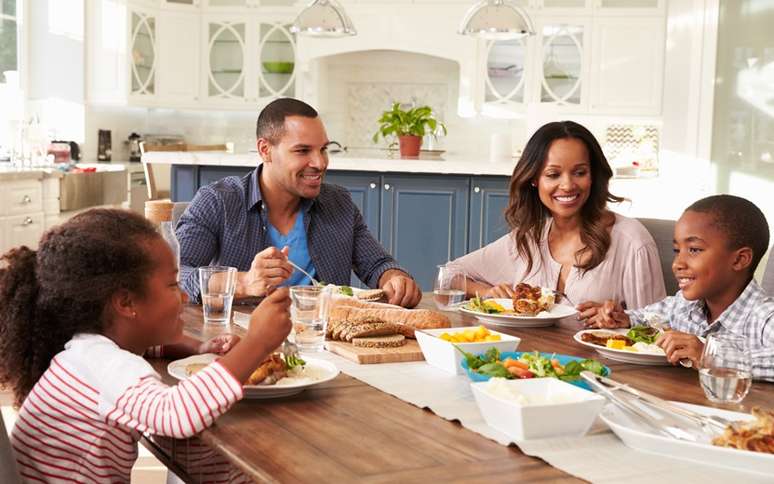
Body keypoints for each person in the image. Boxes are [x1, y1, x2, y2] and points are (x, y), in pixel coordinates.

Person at [0, 208, 292, 481]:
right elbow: (176, 415)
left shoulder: (87, 351)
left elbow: (137, 349)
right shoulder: (105, 364)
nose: (185, 297)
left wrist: (194, 347)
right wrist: (257, 343)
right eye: (172, 284)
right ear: (126, 302)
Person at [176, 98, 421, 308]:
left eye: (323, 149)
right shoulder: (218, 201)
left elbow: (377, 265)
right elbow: (175, 277)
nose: (320, 162)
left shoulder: (339, 203)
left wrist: (395, 279)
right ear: (265, 150)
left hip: (324, 343)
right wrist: (244, 281)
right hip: (242, 346)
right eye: (303, 151)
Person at [446, 121, 665, 310]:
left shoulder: (632, 242)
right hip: (527, 357)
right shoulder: (529, 239)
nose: (568, 185)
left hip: (600, 360)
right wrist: (486, 292)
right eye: (553, 174)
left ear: (593, 176)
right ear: (534, 179)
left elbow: (657, 327)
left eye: (580, 172)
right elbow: (449, 276)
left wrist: (622, 319)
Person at [583, 195, 774, 378]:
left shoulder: (764, 316)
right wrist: (620, 318)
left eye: (694, 250)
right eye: (677, 251)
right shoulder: (683, 305)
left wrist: (710, 356)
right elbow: (646, 317)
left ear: (740, 259)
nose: (677, 263)